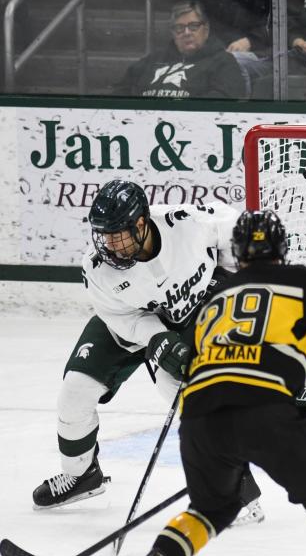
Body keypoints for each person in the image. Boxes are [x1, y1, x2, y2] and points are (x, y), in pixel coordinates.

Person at [115, 210, 306, 556]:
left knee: (211, 509)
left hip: (199, 420)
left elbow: (211, 369)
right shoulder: (297, 281)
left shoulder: (216, 300)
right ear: (282, 248)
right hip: (267, 412)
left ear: (237, 251)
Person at [32, 180, 263, 526]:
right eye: (103, 234)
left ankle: (236, 492)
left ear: (141, 223)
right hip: (132, 323)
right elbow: (121, 317)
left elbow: (237, 228)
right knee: (74, 393)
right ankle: (82, 475)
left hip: (193, 313)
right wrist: (156, 338)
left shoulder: (185, 223)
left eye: (117, 234)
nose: (109, 244)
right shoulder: (98, 268)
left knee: (188, 395)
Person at [114, 0, 246, 99]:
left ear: (206, 29)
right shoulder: (151, 60)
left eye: (193, 26)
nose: (186, 32)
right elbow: (120, 93)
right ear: (173, 33)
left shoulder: (223, 62)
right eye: (179, 28)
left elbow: (223, 103)